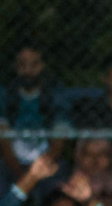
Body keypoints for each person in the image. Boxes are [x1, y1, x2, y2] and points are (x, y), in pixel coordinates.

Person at [1, 44, 68, 179]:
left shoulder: (54, 94)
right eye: (22, 64)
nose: (28, 70)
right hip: (11, 164)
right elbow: (5, 145)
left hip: (47, 162)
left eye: (34, 64)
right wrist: (23, 177)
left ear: (42, 66)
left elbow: (58, 143)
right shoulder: (5, 95)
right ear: (15, 67)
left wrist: (37, 172)